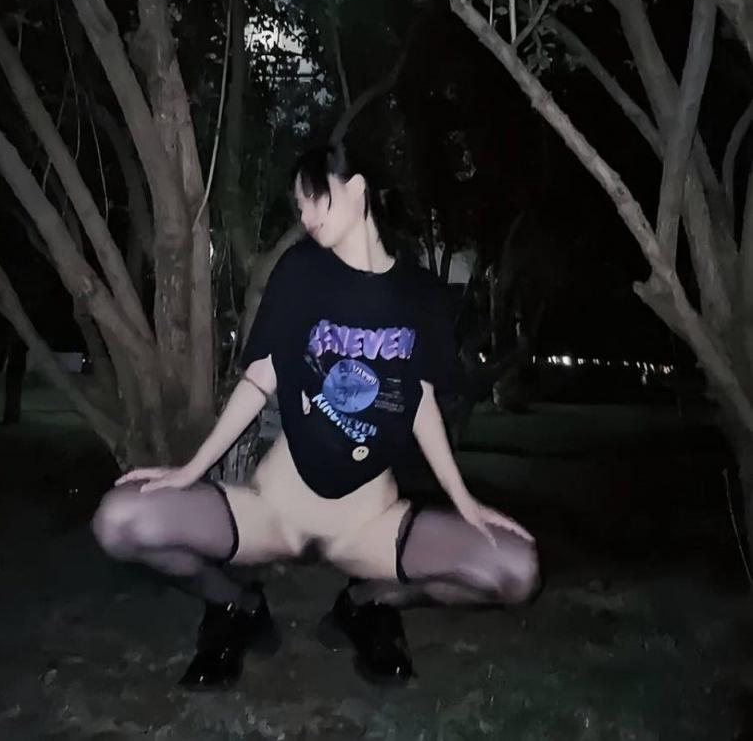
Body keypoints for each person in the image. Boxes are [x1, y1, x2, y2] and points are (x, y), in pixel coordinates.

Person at [92, 142, 539, 688]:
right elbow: (258, 380)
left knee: (516, 571)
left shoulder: (421, 294)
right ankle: (235, 606)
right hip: (275, 508)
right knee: (118, 522)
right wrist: (189, 471)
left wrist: (464, 501)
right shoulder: (302, 272)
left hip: (368, 522)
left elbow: (420, 403)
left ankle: (367, 603)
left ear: (356, 189)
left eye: (312, 198)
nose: (304, 216)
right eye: (298, 206)